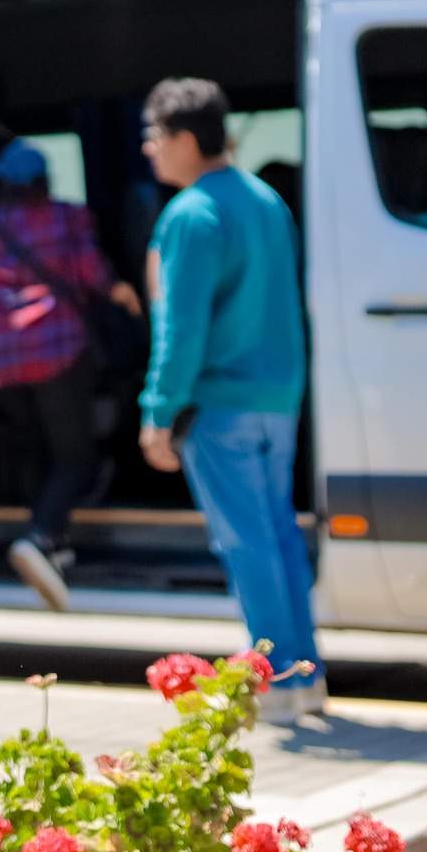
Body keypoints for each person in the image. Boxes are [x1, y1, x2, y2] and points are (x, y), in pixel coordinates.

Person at [136, 77, 321, 720]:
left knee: (245, 542)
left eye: (154, 136)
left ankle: (275, 684)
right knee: (277, 535)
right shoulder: (267, 200)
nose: (148, 149)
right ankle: (307, 675)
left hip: (221, 401)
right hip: (278, 394)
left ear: (186, 139)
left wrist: (158, 411)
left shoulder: (190, 213)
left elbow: (178, 327)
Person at [0, 140, 141, 612]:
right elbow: (89, 273)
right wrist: (123, 294)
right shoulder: (68, 218)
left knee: (33, 448)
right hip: (58, 351)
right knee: (75, 455)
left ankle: (47, 539)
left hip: (2, 359)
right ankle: (39, 539)